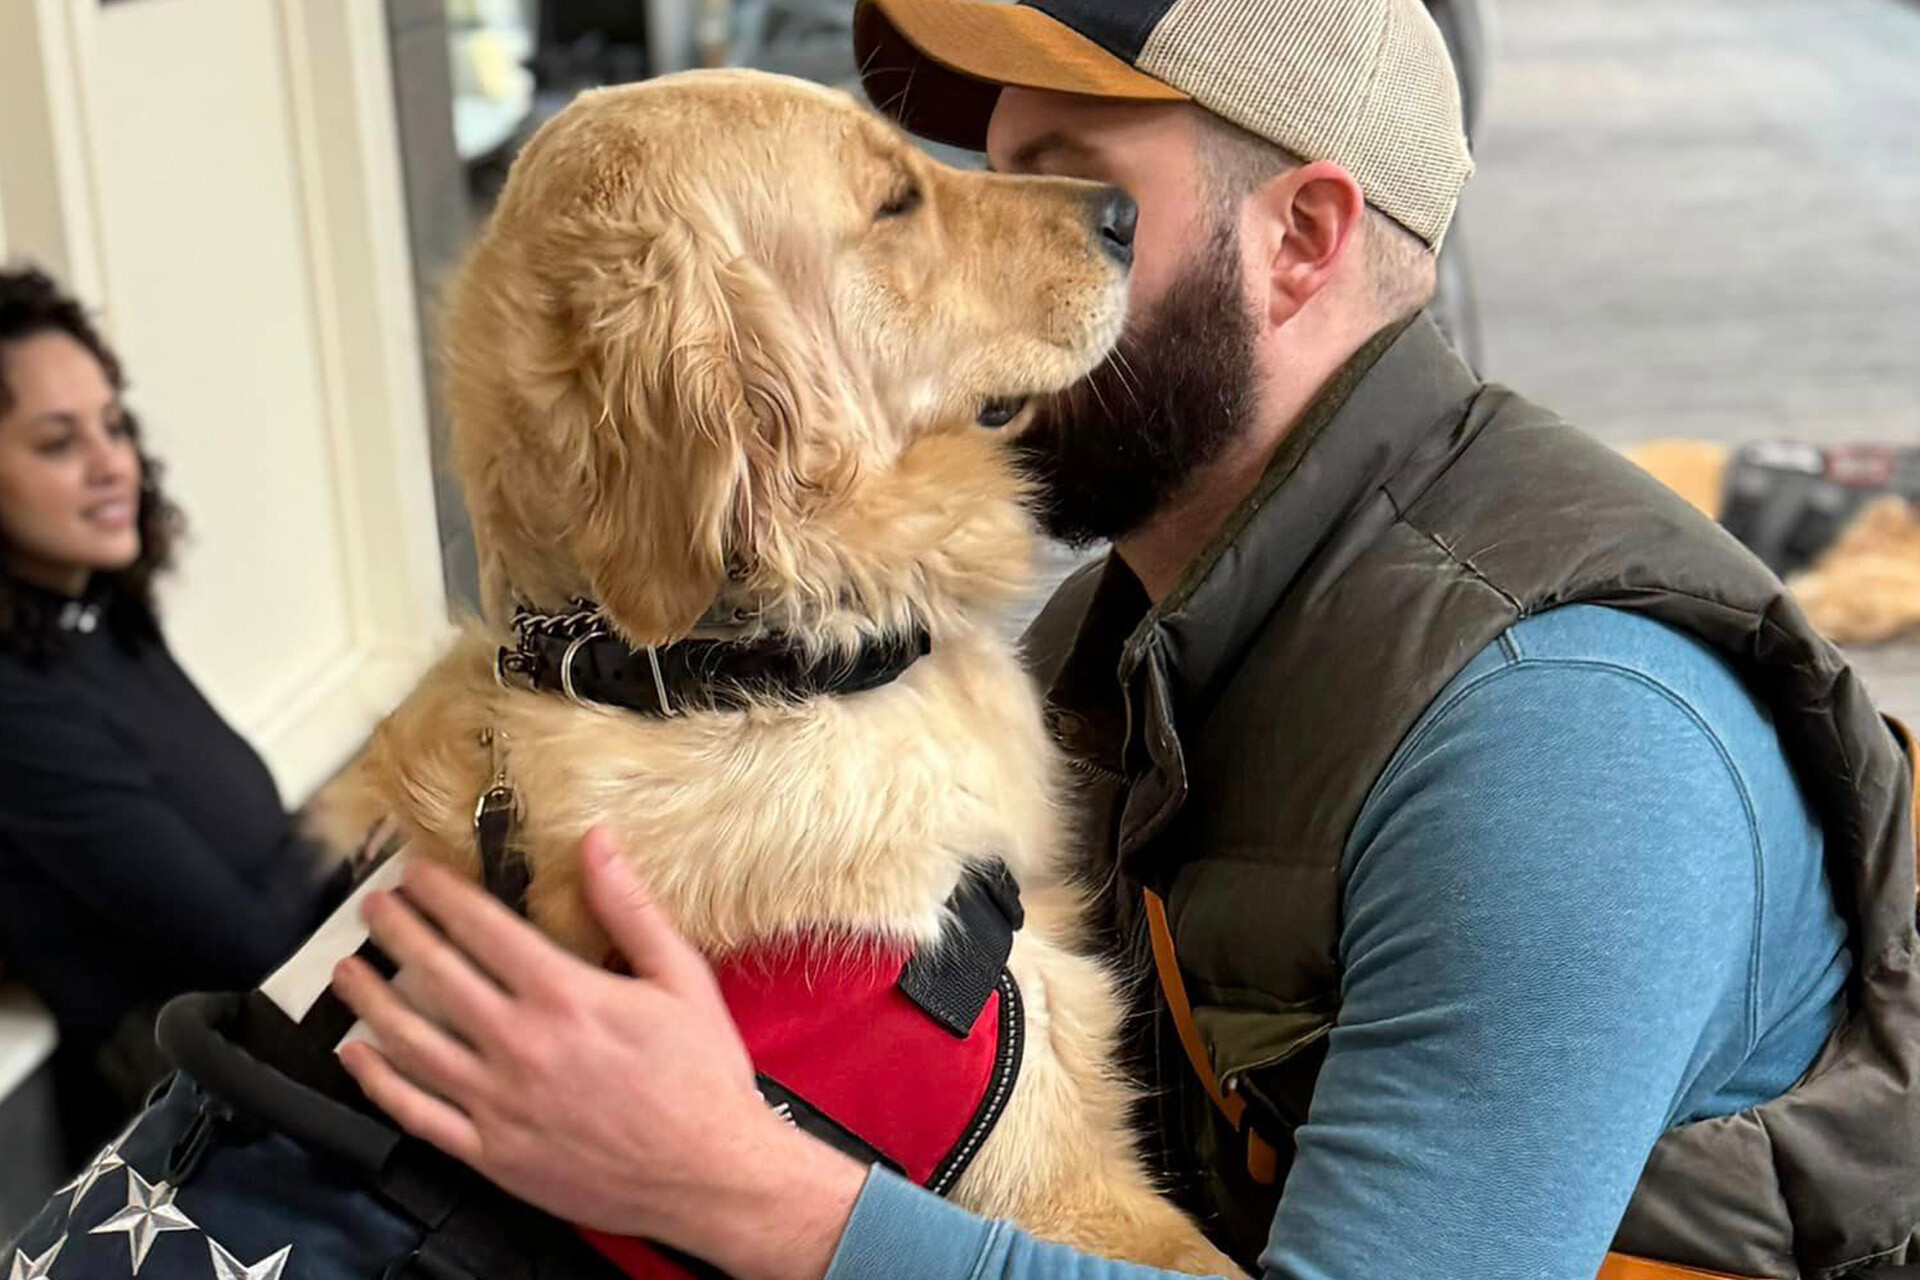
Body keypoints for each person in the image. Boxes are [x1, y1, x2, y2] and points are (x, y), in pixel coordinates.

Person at [327, 2, 1920, 1278]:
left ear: (1300, 240)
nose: (1018, 222)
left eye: (1086, 177)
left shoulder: (1560, 736)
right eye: (975, 166)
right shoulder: (1120, 623)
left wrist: (751, 1193)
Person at [0, 266, 363, 1158]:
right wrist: (365, 808)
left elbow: (261, 864)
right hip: (202, 1126)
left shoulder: (103, 615)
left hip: (290, 1044)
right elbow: (252, 944)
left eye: (114, 425)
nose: (111, 462)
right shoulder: (14, 704)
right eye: (57, 442)